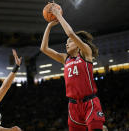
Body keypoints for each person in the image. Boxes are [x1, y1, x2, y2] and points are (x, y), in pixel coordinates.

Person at [40, 3, 105, 131]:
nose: (66, 45)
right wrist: (48, 26)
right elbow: (44, 48)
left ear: (77, 43)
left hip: (90, 103)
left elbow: (70, 33)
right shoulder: (66, 59)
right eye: (66, 43)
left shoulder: (86, 52)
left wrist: (58, 15)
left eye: (69, 42)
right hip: (73, 105)